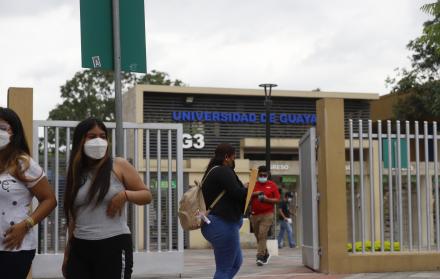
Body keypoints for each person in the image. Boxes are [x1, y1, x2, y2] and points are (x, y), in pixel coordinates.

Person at [62, 118, 152, 279]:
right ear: (80, 140)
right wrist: (67, 254)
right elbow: (72, 217)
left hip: (113, 244)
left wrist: (125, 195)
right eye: (92, 136)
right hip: (80, 246)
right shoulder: (76, 172)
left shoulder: (118, 165)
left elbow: (146, 195)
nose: (98, 141)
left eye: (102, 136)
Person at [0, 107, 57, 279]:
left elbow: (49, 200)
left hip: (13, 248)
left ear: (14, 132)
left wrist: (26, 225)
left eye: (2, 128)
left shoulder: (22, 163)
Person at [201, 143, 248, 279]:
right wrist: (249, 191)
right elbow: (236, 193)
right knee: (225, 268)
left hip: (218, 224)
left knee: (235, 263)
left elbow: (229, 192)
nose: (234, 160)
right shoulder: (223, 170)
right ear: (227, 157)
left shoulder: (213, 171)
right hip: (222, 224)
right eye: (234, 157)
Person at [250, 166, 280, 266]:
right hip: (254, 214)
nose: (263, 176)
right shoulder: (253, 184)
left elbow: (277, 200)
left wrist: (266, 200)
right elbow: (246, 196)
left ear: (268, 175)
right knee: (258, 236)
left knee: (262, 234)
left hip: (268, 214)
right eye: (261, 175)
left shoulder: (272, 185)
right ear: (258, 175)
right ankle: (266, 252)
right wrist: (255, 194)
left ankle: (260, 256)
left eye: (265, 175)